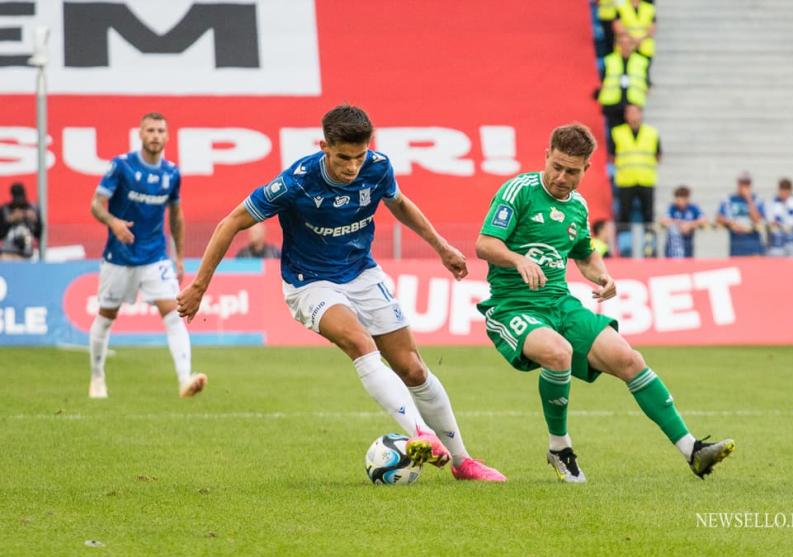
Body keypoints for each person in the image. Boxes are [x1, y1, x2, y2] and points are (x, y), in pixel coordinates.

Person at [177, 104, 505, 482]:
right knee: (359, 342)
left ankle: (463, 462)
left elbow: (398, 203)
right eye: (343, 158)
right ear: (324, 146)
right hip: (309, 281)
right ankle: (421, 434)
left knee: (412, 367)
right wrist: (200, 284)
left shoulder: (378, 167)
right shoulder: (297, 182)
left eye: (359, 157)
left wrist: (442, 246)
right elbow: (231, 222)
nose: (352, 167)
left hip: (361, 273)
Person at [474, 123, 734, 483]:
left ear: (587, 170)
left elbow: (585, 254)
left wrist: (603, 275)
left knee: (629, 359)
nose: (562, 177)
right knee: (558, 353)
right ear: (546, 156)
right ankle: (559, 448)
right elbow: (485, 244)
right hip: (513, 305)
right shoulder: (518, 190)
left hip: (560, 303)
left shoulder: (578, 207)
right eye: (557, 166)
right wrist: (519, 260)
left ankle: (693, 450)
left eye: (572, 171)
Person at [88, 112, 207, 400]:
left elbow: (176, 215)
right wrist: (113, 222)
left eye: (160, 131)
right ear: (140, 135)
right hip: (119, 257)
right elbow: (96, 204)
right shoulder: (122, 166)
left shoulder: (171, 173)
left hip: (155, 257)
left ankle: (185, 379)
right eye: (150, 130)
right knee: (106, 317)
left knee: (174, 313)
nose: (155, 135)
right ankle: (97, 378)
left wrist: (178, 257)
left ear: (167, 137)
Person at [609, 104, 660, 255]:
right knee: (624, 216)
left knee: (648, 216)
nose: (632, 116)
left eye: (635, 112)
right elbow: (612, 156)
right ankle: (625, 248)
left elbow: (658, 155)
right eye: (629, 112)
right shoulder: (617, 133)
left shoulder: (652, 133)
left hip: (646, 180)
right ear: (625, 116)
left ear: (641, 114)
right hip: (626, 180)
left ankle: (649, 248)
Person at [597, 34, 650, 132]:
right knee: (615, 135)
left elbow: (646, 82)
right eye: (622, 43)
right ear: (617, 45)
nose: (625, 46)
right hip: (613, 104)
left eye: (628, 43)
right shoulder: (609, 60)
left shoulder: (642, 61)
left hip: (633, 104)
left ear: (633, 45)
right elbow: (601, 81)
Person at [716, 171, 765, 257]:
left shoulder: (757, 199)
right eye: (742, 184)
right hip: (736, 246)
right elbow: (719, 217)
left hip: (753, 245)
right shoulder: (729, 199)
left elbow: (756, 219)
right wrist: (731, 223)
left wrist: (748, 199)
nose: (744, 187)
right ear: (738, 184)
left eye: (747, 184)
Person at [660, 185, 707, 258]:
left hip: (687, 244)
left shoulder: (693, 208)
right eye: (676, 199)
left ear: (686, 199)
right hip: (672, 247)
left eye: (680, 200)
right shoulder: (672, 207)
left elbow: (704, 220)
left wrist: (690, 225)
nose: (677, 202)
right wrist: (679, 225)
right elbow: (663, 220)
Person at [0, 182, 42, 260]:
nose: (19, 200)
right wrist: (10, 220)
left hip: (27, 253)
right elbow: (1, 234)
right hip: (8, 253)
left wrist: (33, 220)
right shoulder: (5, 210)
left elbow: (39, 233)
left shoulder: (32, 209)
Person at [766, 178, 793, 256]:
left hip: (791, 242)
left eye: (786, 190)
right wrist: (778, 225)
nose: (784, 193)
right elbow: (769, 221)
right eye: (782, 190)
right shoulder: (772, 203)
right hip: (776, 243)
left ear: (790, 190)